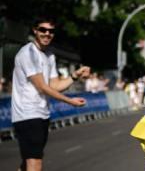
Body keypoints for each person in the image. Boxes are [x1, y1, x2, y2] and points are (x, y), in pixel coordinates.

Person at [11, 17, 91, 171]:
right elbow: (42, 87)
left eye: (51, 31)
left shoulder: (49, 54)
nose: (47, 34)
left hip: (42, 113)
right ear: (35, 30)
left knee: (27, 163)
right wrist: (70, 101)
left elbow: (54, 86)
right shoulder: (28, 53)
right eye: (43, 30)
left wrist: (75, 75)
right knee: (35, 163)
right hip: (27, 114)